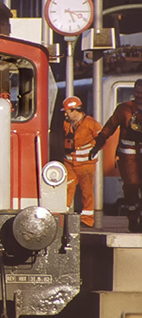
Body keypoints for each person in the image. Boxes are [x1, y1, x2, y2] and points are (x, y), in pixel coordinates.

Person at [90, 79, 142, 232]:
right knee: (131, 187)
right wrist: (96, 146)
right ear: (134, 92)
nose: (140, 95)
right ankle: (133, 218)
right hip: (128, 156)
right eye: (138, 92)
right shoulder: (124, 109)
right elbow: (109, 128)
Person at [61, 96, 102, 227]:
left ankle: (87, 220)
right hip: (70, 164)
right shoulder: (66, 123)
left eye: (67, 111)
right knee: (66, 189)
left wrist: (95, 150)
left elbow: (102, 138)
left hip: (86, 165)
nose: (65, 114)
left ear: (75, 110)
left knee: (87, 192)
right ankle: (62, 217)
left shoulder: (91, 123)